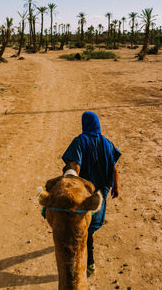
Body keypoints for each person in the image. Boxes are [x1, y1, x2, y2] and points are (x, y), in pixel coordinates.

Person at [62, 111, 121, 274]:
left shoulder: (80, 141)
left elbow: (74, 164)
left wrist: (70, 176)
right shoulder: (107, 143)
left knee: (84, 229)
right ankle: (89, 259)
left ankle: (89, 262)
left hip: (86, 194)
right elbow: (115, 168)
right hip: (102, 193)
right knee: (90, 225)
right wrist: (116, 186)